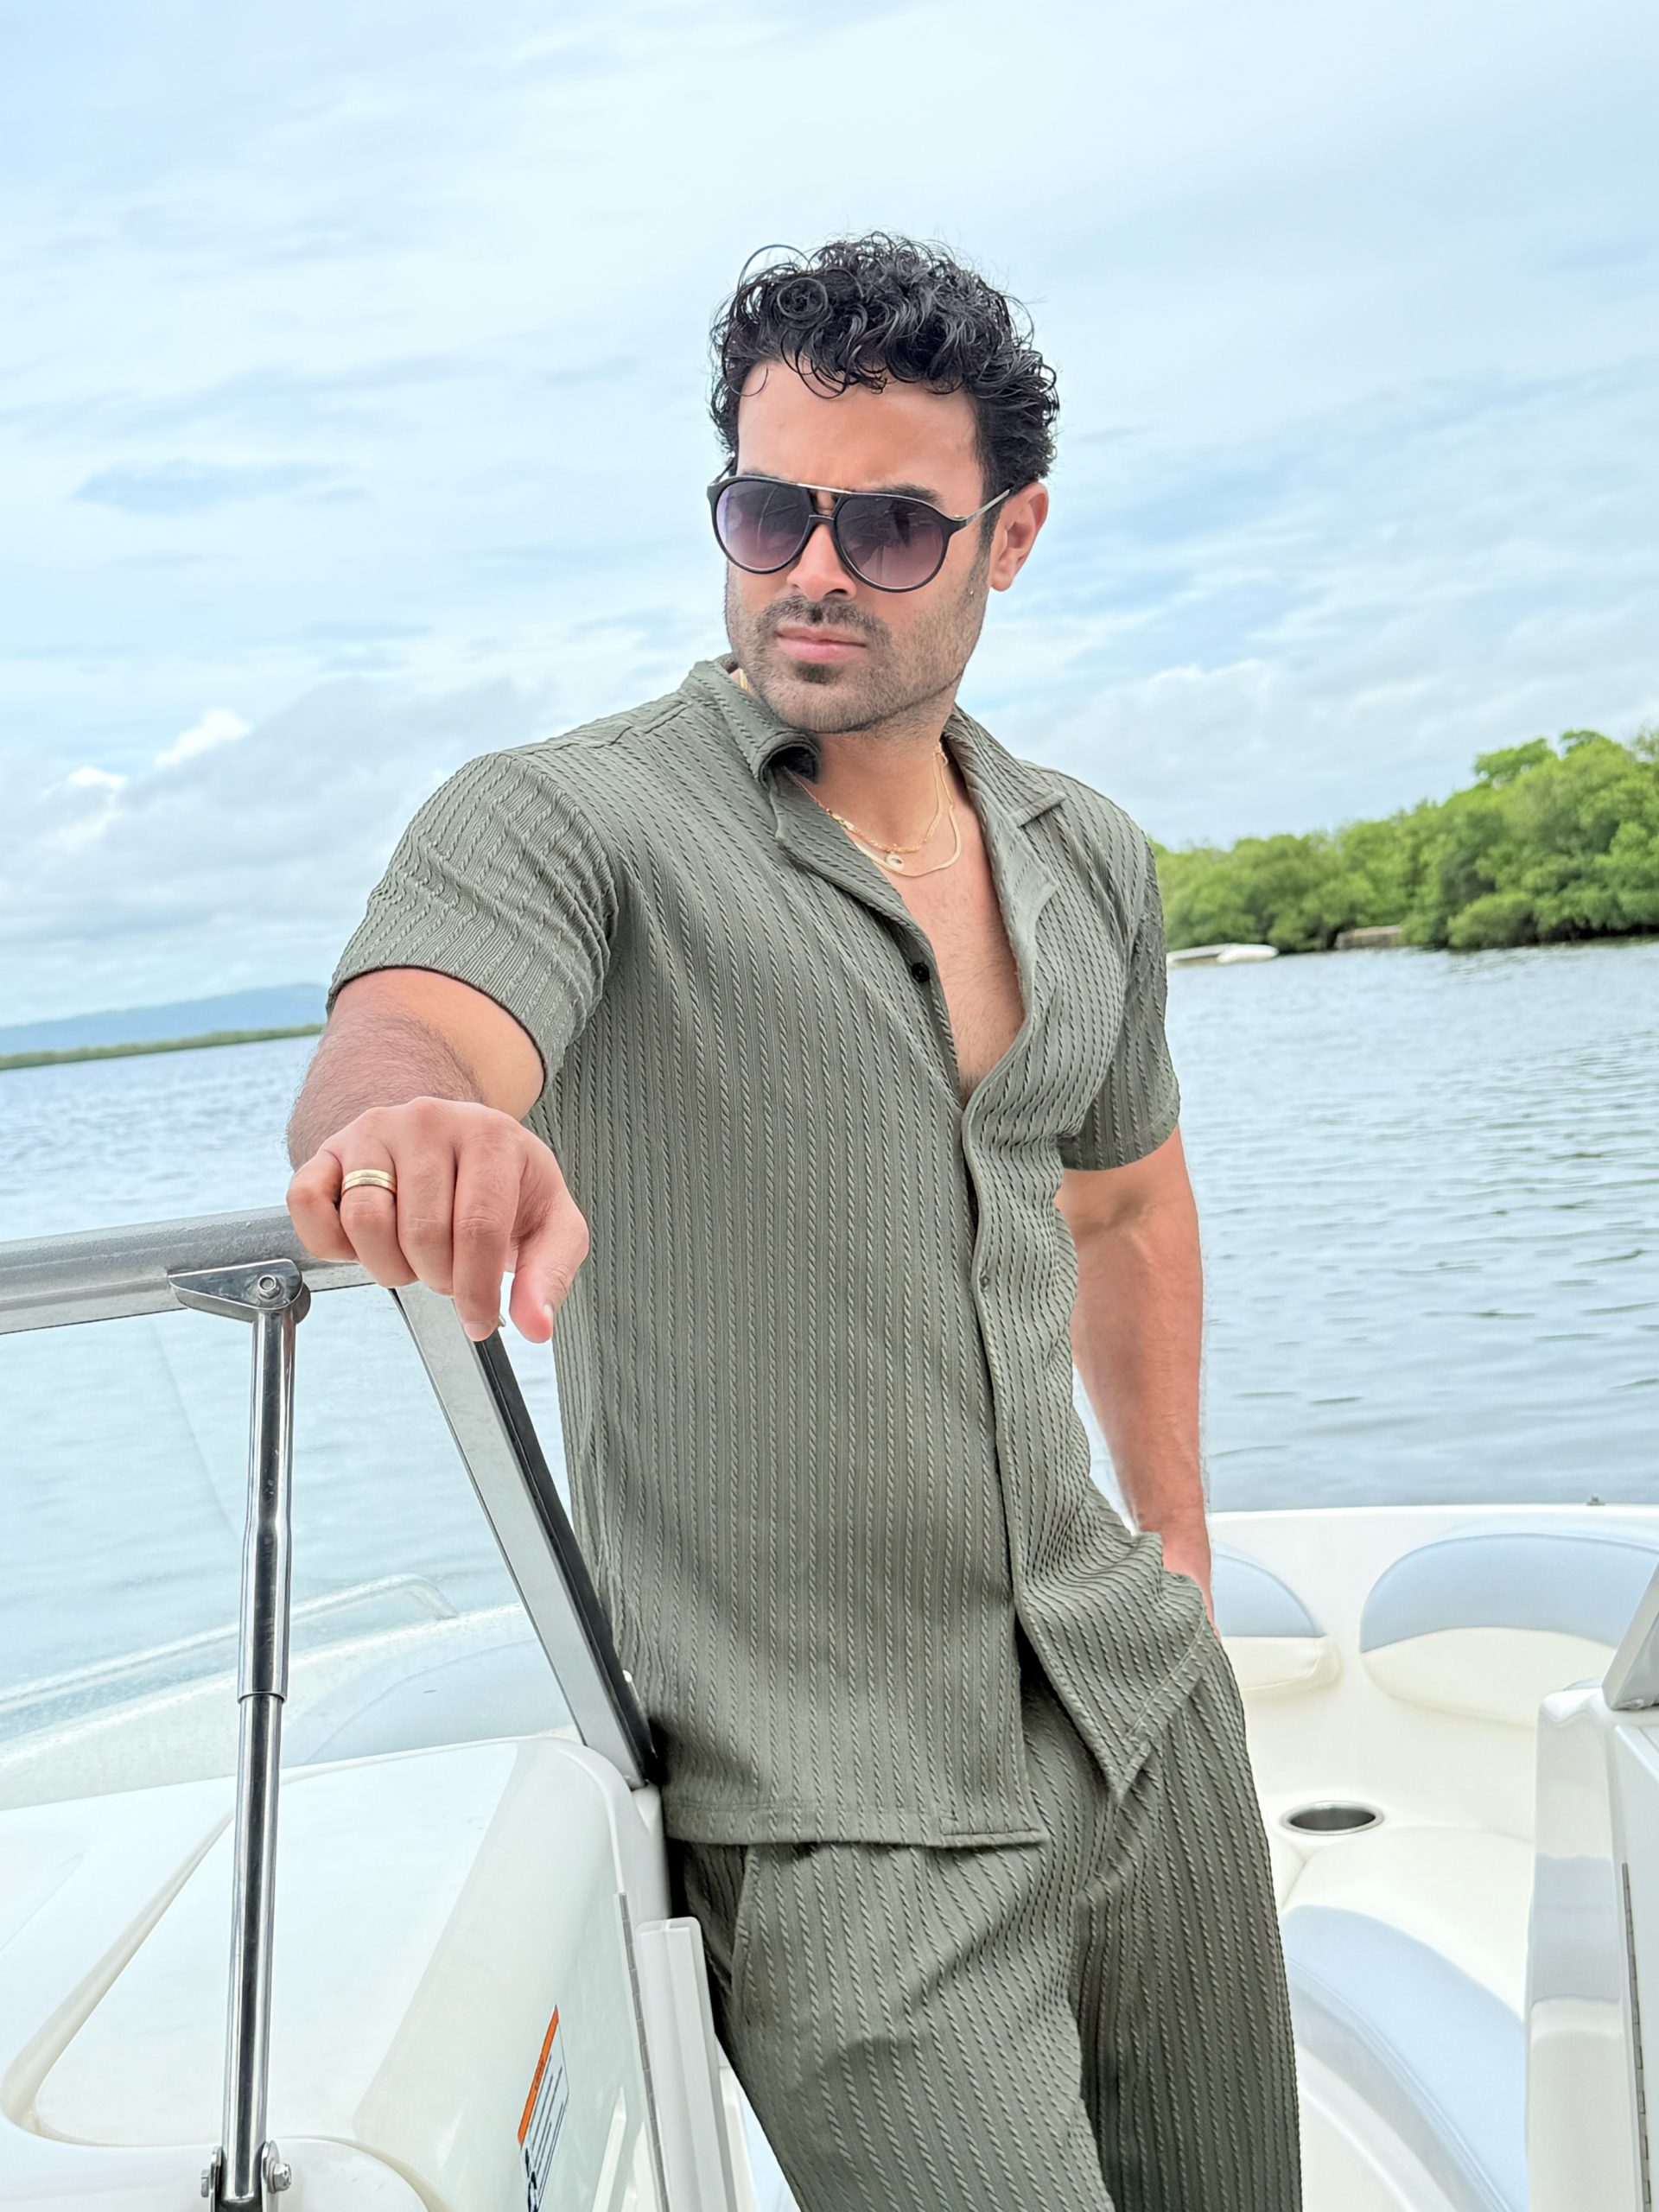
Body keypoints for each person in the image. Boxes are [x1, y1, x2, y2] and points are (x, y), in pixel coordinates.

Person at [285, 232, 1300, 2211]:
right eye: (768, 510)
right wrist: (412, 1123)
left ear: (1011, 538)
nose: (812, 568)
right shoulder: (567, 819)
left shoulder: (1088, 855)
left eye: (890, 526)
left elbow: (1122, 1200)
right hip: (835, 1819)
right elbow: (412, 1026)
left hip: (1138, 1718)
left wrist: (1175, 1548)